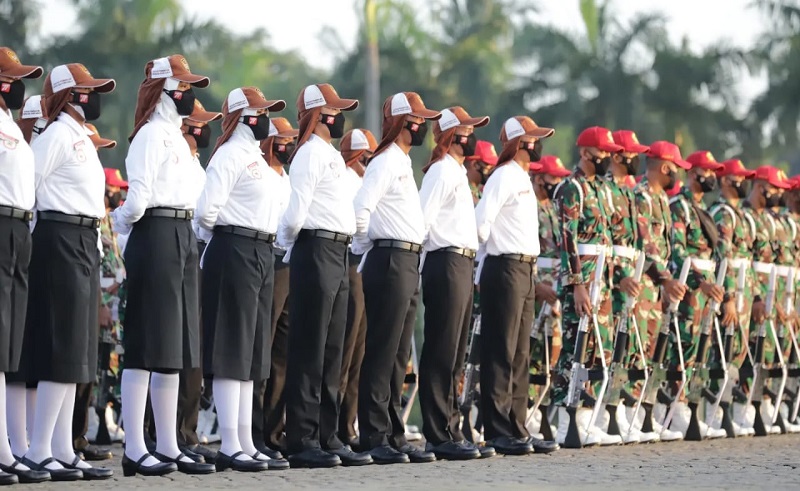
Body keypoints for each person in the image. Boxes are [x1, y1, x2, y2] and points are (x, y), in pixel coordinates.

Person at [111, 54, 215, 476]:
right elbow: (137, 199)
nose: (188, 95)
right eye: (182, 88)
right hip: (154, 234)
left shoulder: (173, 136)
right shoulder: (151, 135)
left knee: (173, 348)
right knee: (146, 346)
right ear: (162, 90)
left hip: (180, 235)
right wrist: (119, 225)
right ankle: (135, 447)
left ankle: (168, 443)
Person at [17, 62, 116, 481]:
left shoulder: (78, 136)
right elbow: (29, 186)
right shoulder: (56, 134)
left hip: (81, 240)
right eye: (88, 90)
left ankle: (61, 448)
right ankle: (40, 449)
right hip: (57, 237)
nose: (94, 97)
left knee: (77, 352)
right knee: (61, 348)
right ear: (71, 95)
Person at [195, 86, 290, 472]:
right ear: (245, 117)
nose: (267, 117)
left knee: (252, 350)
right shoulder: (230, 155)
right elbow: (206, 213)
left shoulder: (256, 157)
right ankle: (231, 443)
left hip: (262, 251)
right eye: (261, 112)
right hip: (234, 246)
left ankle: (246, 440)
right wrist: (231, 240)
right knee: (233, 348)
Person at [277, 83, 366, 468]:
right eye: (334, 109)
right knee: (311, 347)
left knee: (333, 348)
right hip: (314, 249)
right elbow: (296, 212)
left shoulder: (328, 153)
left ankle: (328, 434)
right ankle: (302, 436)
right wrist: (286, 247)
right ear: (319, 114)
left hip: (338, 250)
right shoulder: (309, 154)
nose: (340, 115)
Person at [353, 92, 441, 464]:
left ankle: (393, 432)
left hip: (406, 259)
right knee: (382, 351)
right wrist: (364, 250)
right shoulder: (386, 160)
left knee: (399, 356)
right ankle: (374, 434)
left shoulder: (402, 162)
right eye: (418, 120)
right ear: (405, 122)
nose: (423, 126)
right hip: (387, 257)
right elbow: (361, 209)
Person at [474, 115, 557, 455]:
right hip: (504, 266)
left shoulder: (522, 176)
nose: (539, 144)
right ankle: (497, 430)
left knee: (521, 352)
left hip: (524, 270)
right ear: (519, 142)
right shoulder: (504, 175)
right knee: (501, 351)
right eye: (534, 138)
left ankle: (518, 426)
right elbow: (481, 223)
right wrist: (481, 266)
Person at [417, 106, 493, 460]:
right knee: (441, 350)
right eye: (468, 129)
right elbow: (422, 223)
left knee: (455, 353)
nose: (473, 135)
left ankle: (452, 427)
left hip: (461, 260)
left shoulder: (458, 172)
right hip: (444, 260)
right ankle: (437, 434)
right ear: (453, 134)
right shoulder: (441, 171)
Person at [552, 126, 621, 448]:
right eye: (603, 152)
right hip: (581, 276)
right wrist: (576, 284)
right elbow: (568, 240)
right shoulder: (572, 188)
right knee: (574, 348)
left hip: (601, 277)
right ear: (585, 153)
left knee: (597, 348)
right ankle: (568, 417)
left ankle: (586, 417)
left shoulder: (603, 190)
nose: (608, 157)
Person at [0, 47, 50, 486]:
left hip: (17, 229)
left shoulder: (8, 126)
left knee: (8, 344)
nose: (18, 86)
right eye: (12, 79)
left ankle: (7, 448)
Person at [629, 141, 690, 441]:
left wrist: (670, 282)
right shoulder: (640, 196)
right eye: (676, 168)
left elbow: (667, 248)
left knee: (656, 351)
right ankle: (631, 413)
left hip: (658, 287)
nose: (678, 174)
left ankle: (647, 414)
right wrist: (666, 280)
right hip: (644, 283)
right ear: (665, 167)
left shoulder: (662, 200)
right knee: (637, 349)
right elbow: (645, 244)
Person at [666, 151, 728, 439]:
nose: (713, 177)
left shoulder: (703, 209)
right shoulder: (680, 206)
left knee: (701, 349)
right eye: (707, 171)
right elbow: (678, 251)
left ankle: (691, 408)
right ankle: (675, 407)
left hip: (706, 289)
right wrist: (700, 282)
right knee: (682, 347)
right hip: (689, 287)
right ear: (692, 174)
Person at [177, 97, 222, 465]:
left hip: (199, 253)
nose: (206, 128)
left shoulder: (197, 164)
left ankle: (187, 431)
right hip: (183, 247)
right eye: (202, 122)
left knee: (194, 348)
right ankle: (174, 433)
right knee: (178, 348)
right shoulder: (178, 157)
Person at [71, 124, 117, 463]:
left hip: (100, 290)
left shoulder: (98, 201)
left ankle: (79, 436)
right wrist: (102, 302)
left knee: (91, 369)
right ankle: (71, 437)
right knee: (76, 364)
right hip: (95, 292)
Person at [252, 117, 297, 458]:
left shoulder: (287, 178)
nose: (288, 144)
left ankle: (272, 432)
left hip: (287, 263)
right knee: (261, 348)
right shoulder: (260, 174)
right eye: (282, 139)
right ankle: (252, 433)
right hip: (265, 258)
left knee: (282, 352)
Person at [601, 130, 648, 443]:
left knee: (628, 347)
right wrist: (618, 277)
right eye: (630, 153)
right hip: (612, 279)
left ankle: (620, 412)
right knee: (608, 348)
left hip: (631, 275)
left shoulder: (630, 193)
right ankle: (606, 412)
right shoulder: (604, 190)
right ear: (616, 156)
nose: (635, 158)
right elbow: (604, 241)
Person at [336, 128, 377, 449]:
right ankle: (336, 423)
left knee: (360, 350)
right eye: (366, 155)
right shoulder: (343, 178)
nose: (369, 160)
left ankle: (348, 423)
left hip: (364, 265)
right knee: (345, 346)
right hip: (348, 261)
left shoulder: (366, 181)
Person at [709, 159, 756, 437]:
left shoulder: (740, 214)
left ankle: (728, 410)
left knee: (737, 352)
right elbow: (722, 257)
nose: (743, 183)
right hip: (730, 290)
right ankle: (717, 411)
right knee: (722, 351)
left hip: (743, 289)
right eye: (739, 177)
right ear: (726, 180)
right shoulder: (722, 213)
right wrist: (727, 295)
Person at [527, 155, 570, 439]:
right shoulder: (527, 205)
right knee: (529, 351)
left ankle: (540, 410)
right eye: (552, 178)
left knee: (549, 352)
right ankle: (527, 409)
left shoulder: (554, 208)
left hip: (553, 287)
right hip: (532, 288)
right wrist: (534, 286)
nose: (557, 183)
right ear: (539, 178)